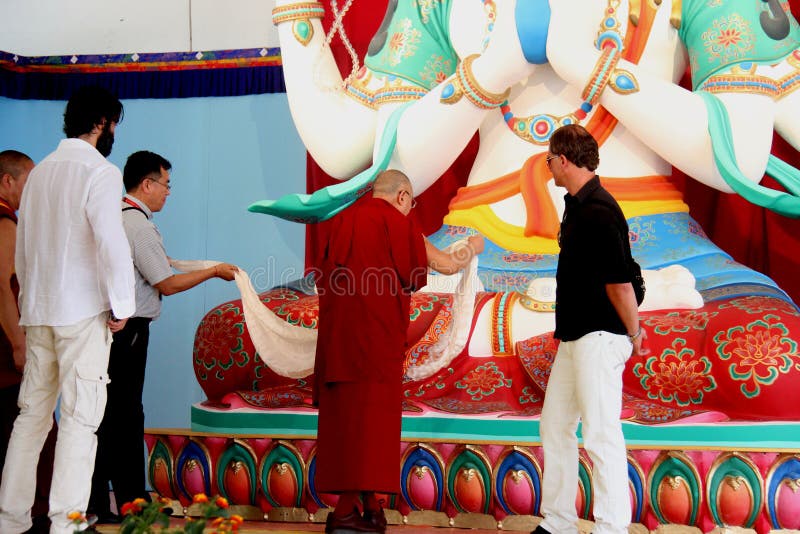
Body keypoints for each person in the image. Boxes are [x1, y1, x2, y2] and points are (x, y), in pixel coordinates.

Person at [315, 169, 483, 533]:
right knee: (372, 426)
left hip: (338, 343)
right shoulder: (396, 222)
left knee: (350, 425)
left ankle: (370, 509)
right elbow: (446, 263)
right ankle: (344, 513)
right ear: (403, 196)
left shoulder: (340, 223)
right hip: (375, 343)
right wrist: (474, 247)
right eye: (412, 204)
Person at [0, 86, 136, 534]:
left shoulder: (38, 175)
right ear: (101, 123)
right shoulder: (100, 171)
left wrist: (30, 301)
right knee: (80, 420)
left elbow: (23, 249)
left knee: (32, 419)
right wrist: (123, 305)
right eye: (113, 123)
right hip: (81, 312)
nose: (114, 131)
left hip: (37, 310)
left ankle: (12, 521)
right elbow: (111, 243)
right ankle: (66, 524)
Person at [87, 150, 238, 523]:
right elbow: (166, 284)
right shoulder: (138, 225)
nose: (169, 192)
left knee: (111, 415)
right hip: (129, 332)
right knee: (124, 416)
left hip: (111, 329)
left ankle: (113, 500)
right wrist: (213, 271)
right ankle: (125, 502)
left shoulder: (115, 217)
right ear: (147, 184)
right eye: (166, 184)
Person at [532, 125, 647, 534]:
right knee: (555, 424)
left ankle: (612, 527)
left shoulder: (598, 209)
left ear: (563, 160)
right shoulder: (577, 205)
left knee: (600, 433)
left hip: (600, 334)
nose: (547, 167)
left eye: (549, 160)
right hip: (576, 335)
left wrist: (634, 334)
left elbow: (618, 282)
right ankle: (559, 521)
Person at [0, 150, 58, 534]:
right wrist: (18, 344)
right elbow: (2, 286)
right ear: (8, 181)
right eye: (28, 181)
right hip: (7, 348)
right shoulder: (5, 223)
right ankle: (34, 515)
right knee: (33, 431)